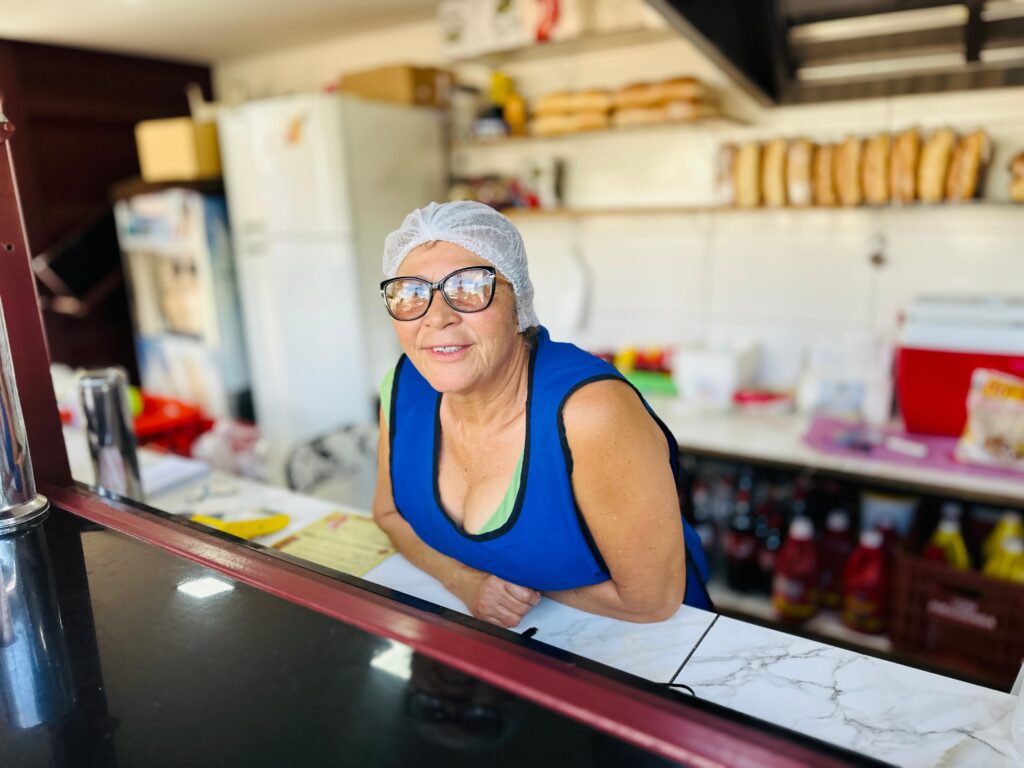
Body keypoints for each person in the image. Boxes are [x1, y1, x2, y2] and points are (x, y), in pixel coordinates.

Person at [372, 201, 711, 629]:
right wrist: (467, 583)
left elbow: (652, 601)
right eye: (410, 292)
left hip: (654, 657)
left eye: (470, 288)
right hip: (486, 646)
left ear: (519, 301)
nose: (437, 318)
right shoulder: (403, 387)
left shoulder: (589, 412)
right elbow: (388, 515)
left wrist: (515, 590)